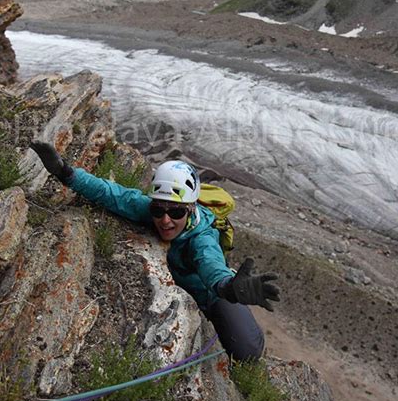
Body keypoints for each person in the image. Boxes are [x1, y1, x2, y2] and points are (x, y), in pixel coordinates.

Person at [30, 142, 280, 361]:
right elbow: (109, 193)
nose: (165, 221)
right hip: (189, 287)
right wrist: (66, 173)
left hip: (214, 294)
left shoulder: (202, 238)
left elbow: (210, 263)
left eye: (177, 212)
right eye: (159, 210)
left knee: (248, 351)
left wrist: (228, 286)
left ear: (191, 209)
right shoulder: (148, 208)